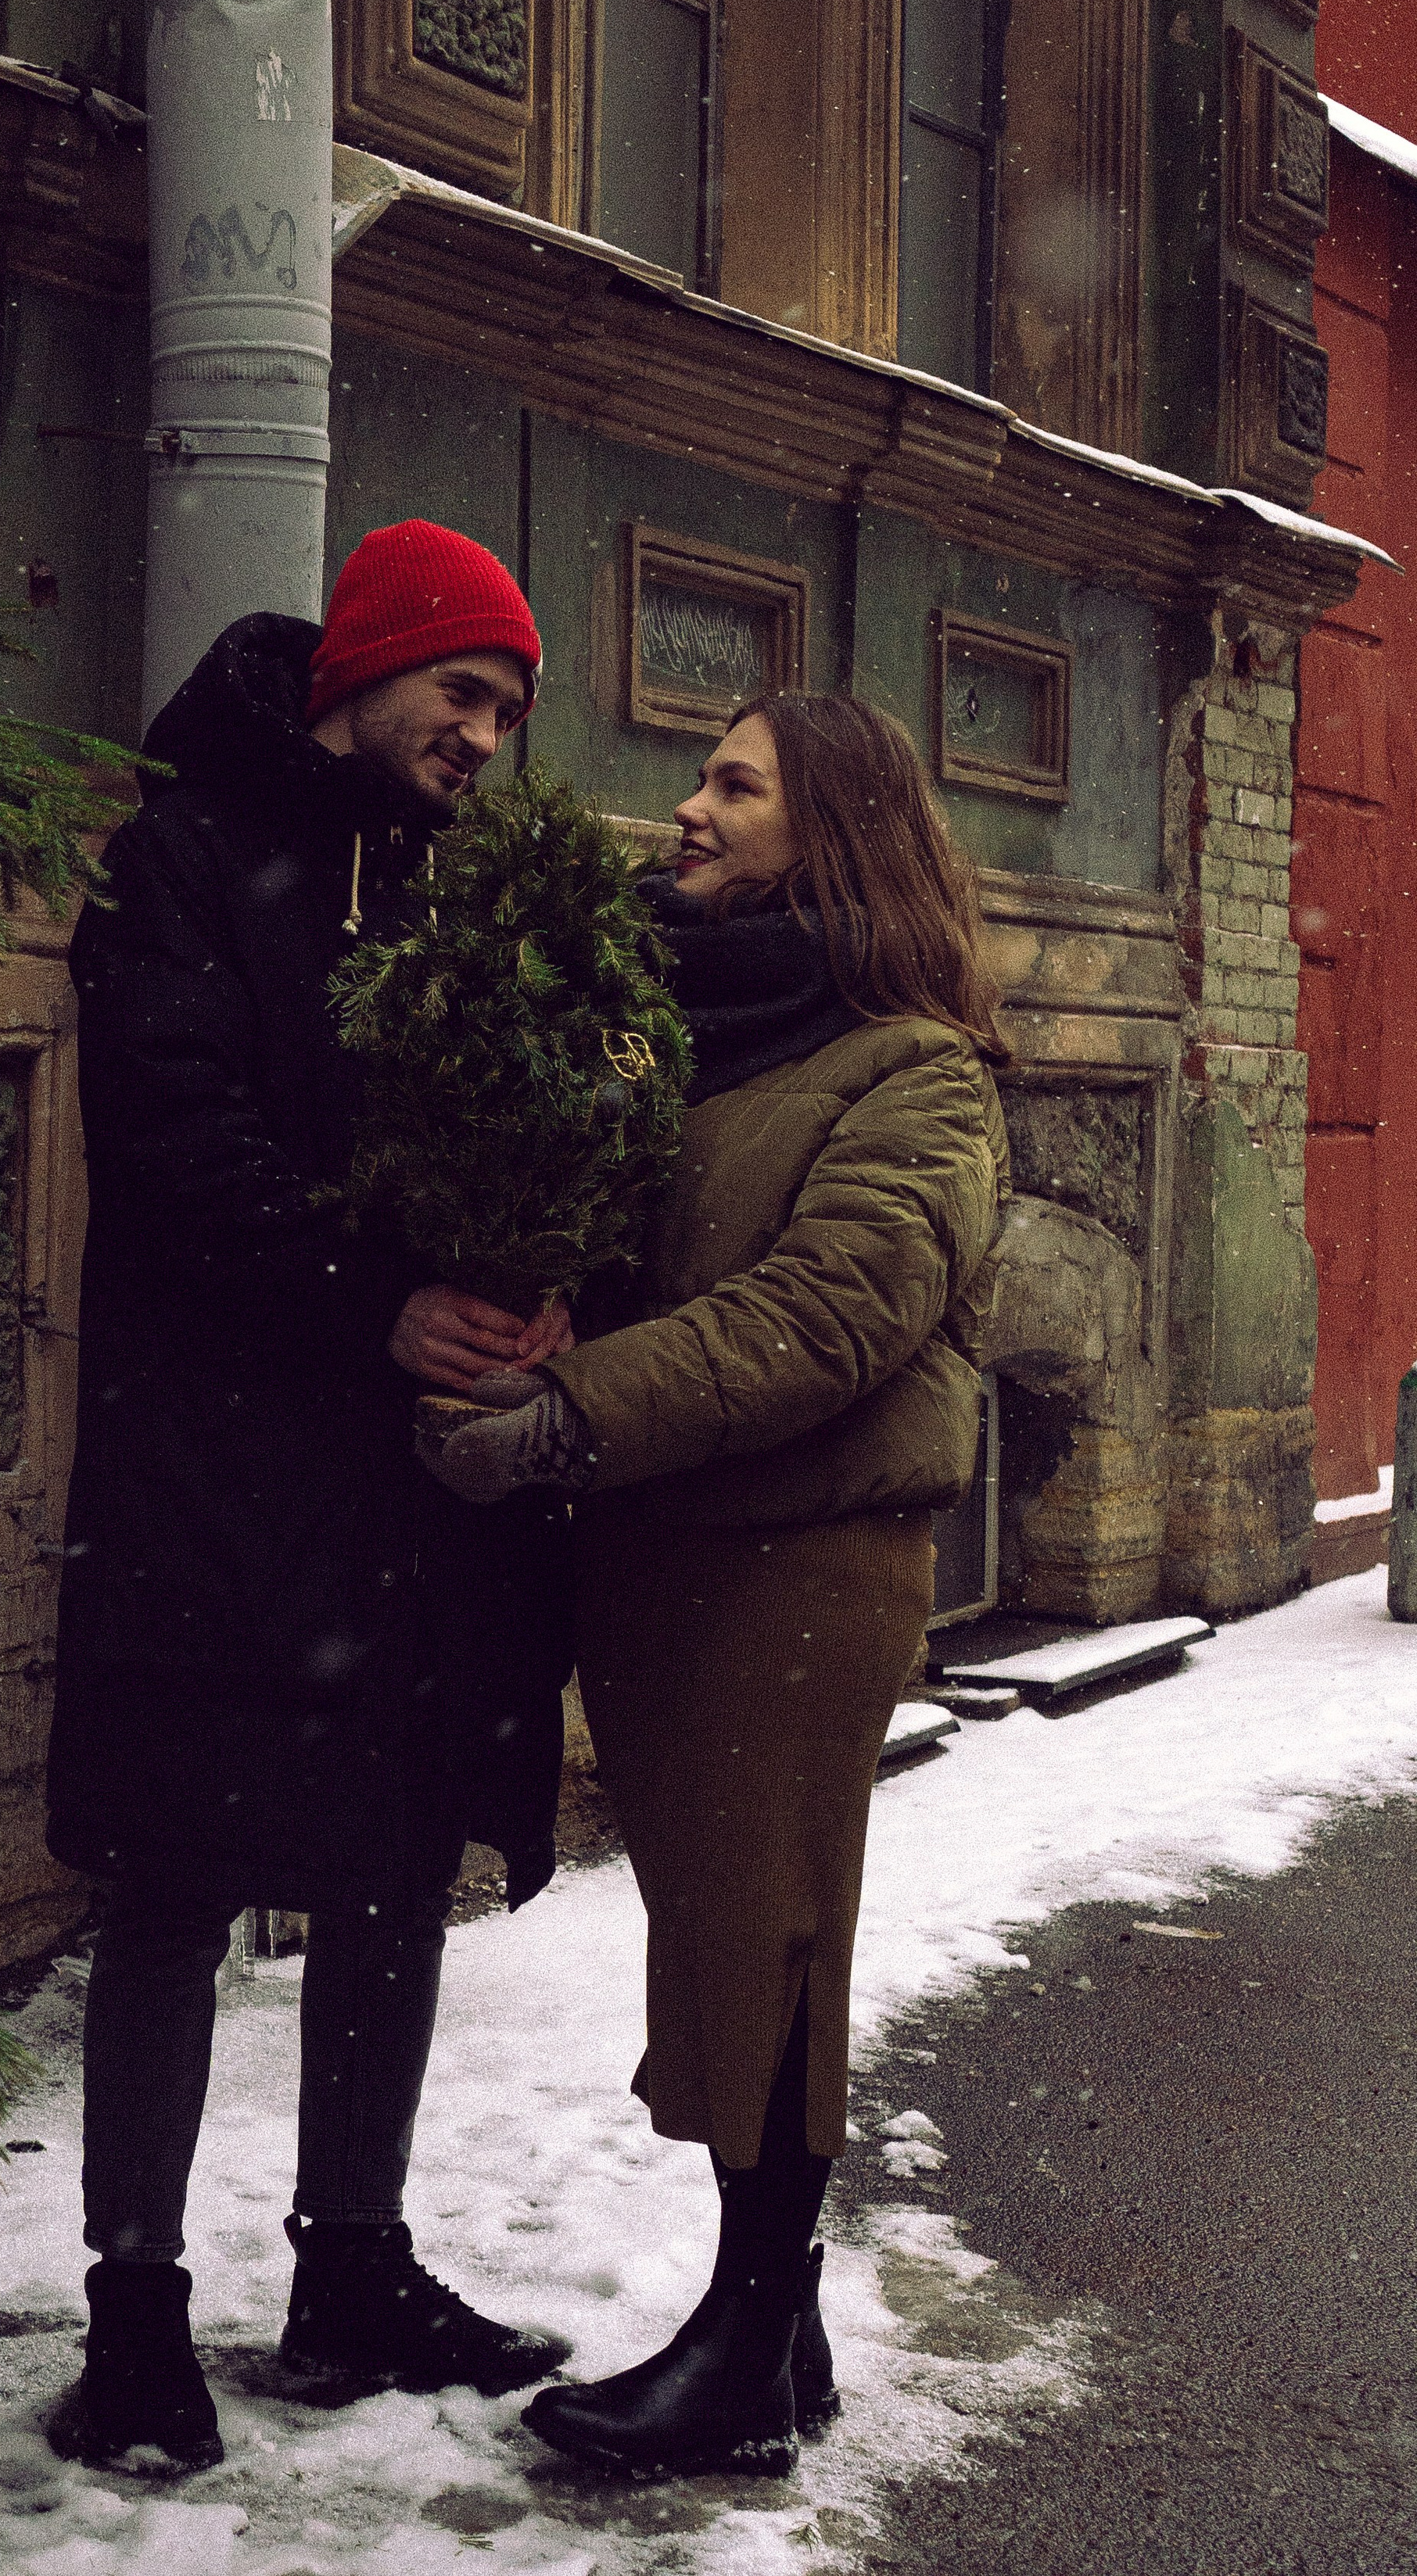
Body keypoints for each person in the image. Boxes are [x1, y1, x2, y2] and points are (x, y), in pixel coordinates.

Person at [418, 690, 1012, 2478]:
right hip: (669, 1555)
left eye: (729, 787)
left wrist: (562, 1418)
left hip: (802, 1567)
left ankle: (746, 2342)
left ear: (828, 829)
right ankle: (783, 2332)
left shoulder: (913, 1069)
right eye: (695, 777)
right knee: (718, 1935)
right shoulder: (690, 1037)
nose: (678, 811)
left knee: (767, 1941)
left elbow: (828, 1315)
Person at [44, 520, 576, 2471]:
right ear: (365, 668)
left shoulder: (455, 889)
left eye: (511, 710)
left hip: (399, 1481)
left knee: (389, 1869)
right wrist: (383, 1304)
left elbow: (507, 1127)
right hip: (210, 1462)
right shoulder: (186, 852)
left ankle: (350, 2269)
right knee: (174, 1879)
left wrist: (534, 1274)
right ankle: (135, 2320)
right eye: (465, 693)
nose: (486, 740)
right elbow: (176, 1148)